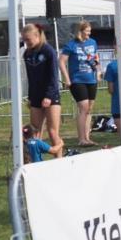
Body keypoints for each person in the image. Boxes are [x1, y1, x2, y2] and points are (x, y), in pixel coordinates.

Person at [22, 24, 62, 152]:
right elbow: (30, 78)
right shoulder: (27, 54)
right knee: (34, 131)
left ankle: (59, 160)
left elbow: (53, 75)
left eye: (28, 39)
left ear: (37, 36)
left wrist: (49, 96)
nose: (26, 42)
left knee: (52, 132)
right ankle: (36, 161)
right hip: (35, 96)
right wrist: (30, 97)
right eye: (24, 39)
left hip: (51, 95)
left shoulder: (48, 51)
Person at [58, 21, 99, 147]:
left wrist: (99, 70)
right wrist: (67, 79)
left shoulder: (93, 42)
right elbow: (61, 62)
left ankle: (87, 138)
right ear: (80, 31)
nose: (89, 33)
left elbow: (95, 58)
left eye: (90, 31)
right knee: (83, 108)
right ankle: (81, 139)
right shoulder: (71, 45)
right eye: (87, 31)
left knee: (89, 109)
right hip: (77, 80)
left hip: (91, 80)